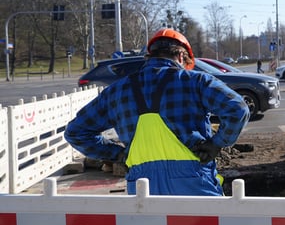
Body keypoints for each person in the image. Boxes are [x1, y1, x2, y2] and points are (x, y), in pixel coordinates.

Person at [64, 28, 250, 196]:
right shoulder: (196, 81)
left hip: (141, 184)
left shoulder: (116, 91)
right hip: (193, 178)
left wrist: (118, 154)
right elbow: (237, 108)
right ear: (180, 56)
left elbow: (76, 132)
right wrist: (217, 143)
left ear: (149, 56)